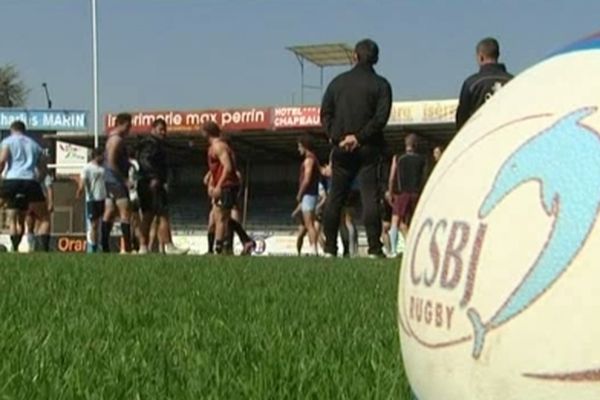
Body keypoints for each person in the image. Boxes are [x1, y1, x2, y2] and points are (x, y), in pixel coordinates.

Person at [320, 38, 392, 258]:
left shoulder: (337, 83)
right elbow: (381, 118)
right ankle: (373, 248)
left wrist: (338, 137)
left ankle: (330, 248)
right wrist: (359, 138)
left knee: (335, 198)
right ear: (376, 59)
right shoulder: (381, 85)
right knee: (369, 197)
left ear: (354, 56)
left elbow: (325, 114)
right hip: (369, 147)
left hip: (341, 148)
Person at [137, 118, 189, 255]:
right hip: (151, 182)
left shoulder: (154, 144)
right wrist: (153, 176)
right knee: (161, 214)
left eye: (165, 129)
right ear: (153, 129)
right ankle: (168, 246)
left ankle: (144, 247)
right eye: (161, 129)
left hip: (149, 181)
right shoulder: (151, 144)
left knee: (151, 215)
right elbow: (144, 160)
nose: (164, 132)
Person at [202, 121, 254, 255]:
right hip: (224, 185)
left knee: (221, 218)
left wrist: (218, 185)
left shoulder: (219, 146)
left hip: (227, 186)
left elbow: (228, 167)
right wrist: (210, 177)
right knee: (217, 218)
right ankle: (245, 240)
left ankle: (218, 250)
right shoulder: (215, 147)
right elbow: (219, 167)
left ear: (206, 132)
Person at [0, 121, 51, 252]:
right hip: (30, 181)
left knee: (13, 218)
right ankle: (44, 249)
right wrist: (38, 180)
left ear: (12, 130)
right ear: (24, 130)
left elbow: (2, 160)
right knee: (44, 217)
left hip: (11, 180)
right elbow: (44, 168)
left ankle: (15, 247)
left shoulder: (8, 141)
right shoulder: (34, 144)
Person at [456, 37, 513, 131]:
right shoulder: (513, 82)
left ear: (480, 57)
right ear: (498, 55)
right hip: (507, 136)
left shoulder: (471, 84)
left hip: (481, 138)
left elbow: (462, 120)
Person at [387, 134, 426, 256]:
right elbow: (424, 178)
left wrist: (390, 192)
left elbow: (392, 177)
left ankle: (393, 250)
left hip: (402, 193)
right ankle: (412, 247)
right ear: (416, 145)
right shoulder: (422, 160)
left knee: (396, 220)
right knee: (411, 221)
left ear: (405, 144)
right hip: (415, 193)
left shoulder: (398, 158)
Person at [102, 113, 133, 253]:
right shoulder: (116, 140)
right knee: (125, 211)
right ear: (121, 124)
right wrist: (124, 179)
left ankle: (105, 247)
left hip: (109, 180)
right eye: (128, 125)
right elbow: (111, 161)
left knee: (110, 211)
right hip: (116, 181)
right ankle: (127, 248)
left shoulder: (112, 138)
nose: (129, 129)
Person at [76, 148, 106, 253]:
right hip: (92, 199)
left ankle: (100, 245)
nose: (104, 157)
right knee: (93, 225)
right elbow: (83, 180)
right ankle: (93, 247)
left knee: (101, 224)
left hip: (103, 199)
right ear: (97, 156)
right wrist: (80, 190)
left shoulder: (103, 168)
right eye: (102, 155)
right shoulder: (87, 168)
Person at [295, 134, 320, 256]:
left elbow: (307, 179)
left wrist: (300, 193)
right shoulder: (314, 158)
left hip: (309, 194)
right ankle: (313, 248)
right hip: (312, 194)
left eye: (300, 146)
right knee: (310, 222)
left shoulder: (309, 160)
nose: (298, 149)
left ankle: (313, 248)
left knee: (309, 223)